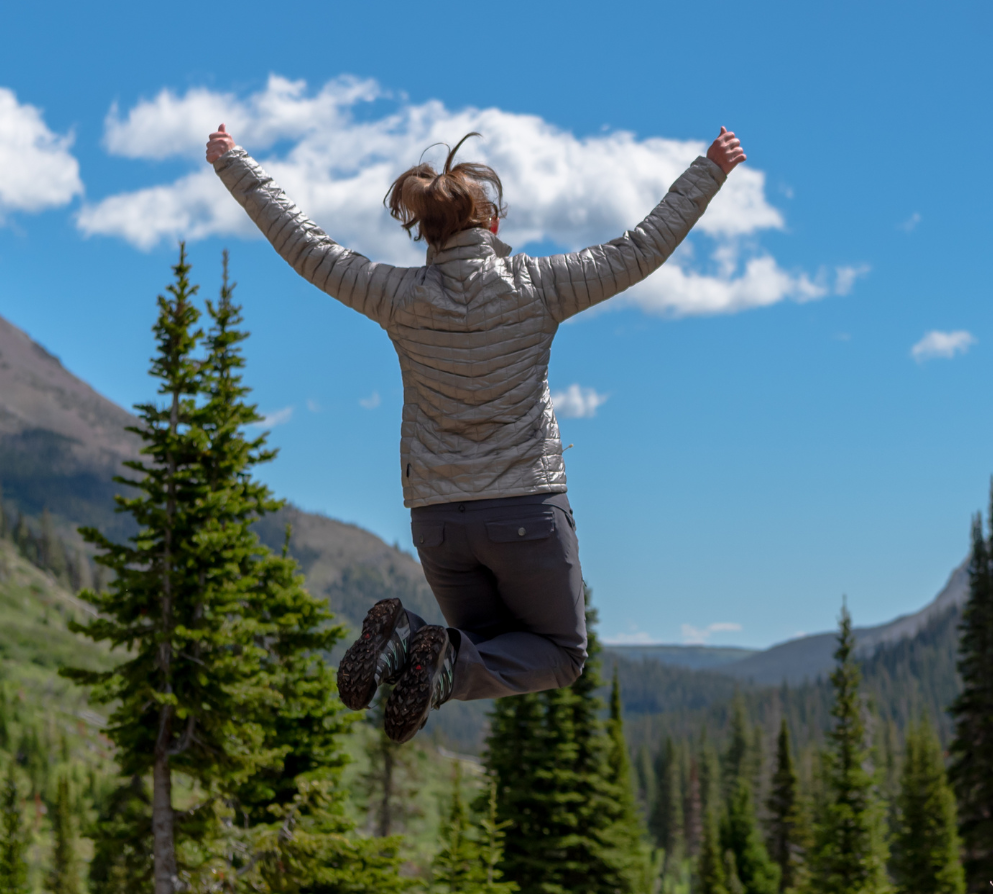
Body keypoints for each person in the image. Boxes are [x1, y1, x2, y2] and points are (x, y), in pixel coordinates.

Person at [204, 121, 747, 741]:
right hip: (525, 511)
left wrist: (234, 164)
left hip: (439, 521)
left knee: (471, 647)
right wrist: (709, 171)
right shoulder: (541, 285)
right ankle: (421, 647)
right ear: (492, 224)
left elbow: (307, 247)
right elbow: (640, 249)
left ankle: (407, 637)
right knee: (558, 655)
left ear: (426, 230)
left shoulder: (396, 295)